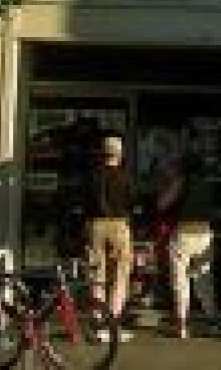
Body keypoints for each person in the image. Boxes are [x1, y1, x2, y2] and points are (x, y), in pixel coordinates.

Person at [157, 151, 217, 339]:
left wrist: (168, 184)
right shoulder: (208, 184)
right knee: (203, 280)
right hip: (205, 234)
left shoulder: (181, 181)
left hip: (184, 234)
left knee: (180, 281)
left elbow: (162, 204)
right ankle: (212, 320)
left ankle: (182, 325)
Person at [84, 135, 135, 340]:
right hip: (119, 225)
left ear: (102, 154)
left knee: (97, 273)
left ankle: (97, 318)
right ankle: (113, 320)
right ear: (120, 154)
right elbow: (133, 201)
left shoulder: (92, 176)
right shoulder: (125, 176)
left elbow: (85, 201)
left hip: (96, 225)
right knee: (121, 274)